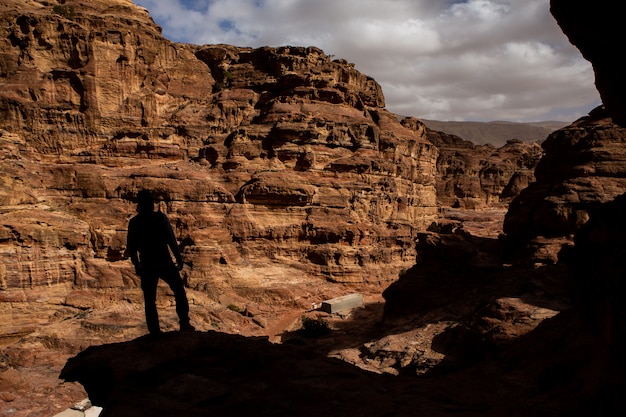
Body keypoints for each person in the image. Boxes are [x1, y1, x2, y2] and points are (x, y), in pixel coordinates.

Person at [127, 189, 194, 334]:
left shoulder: (134, 222)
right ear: (151, 203)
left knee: (150, 299)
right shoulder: (160, 218)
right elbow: (171, 239)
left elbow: (131, 247)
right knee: (179, 291)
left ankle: (154, 332)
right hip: (164, 262)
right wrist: (178, 258)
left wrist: (137, 265)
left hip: (147, 264)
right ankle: (184, 323)